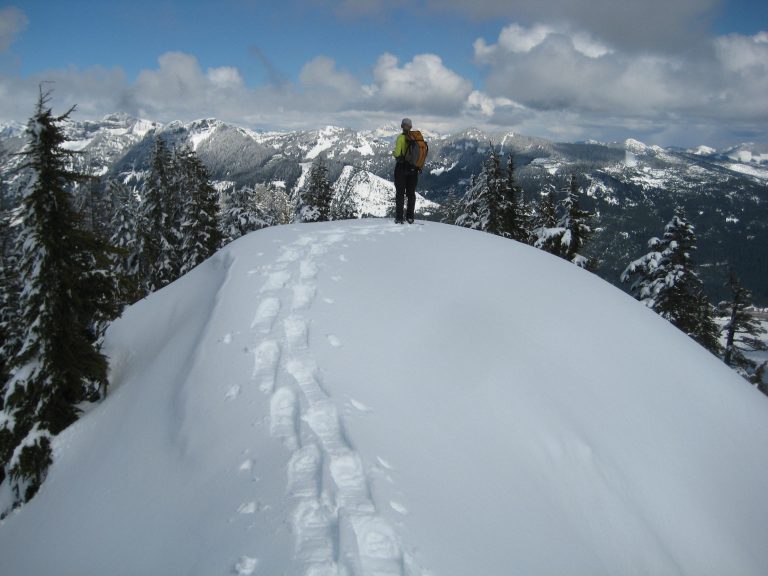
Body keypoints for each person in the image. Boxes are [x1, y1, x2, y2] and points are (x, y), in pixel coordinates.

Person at [392, 117, 418, 224]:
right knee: (411, 194)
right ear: (411, 127)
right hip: (414, 170)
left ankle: (399, 217)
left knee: (400, 193)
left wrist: (393, 153)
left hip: (401, 168)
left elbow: (398, 154)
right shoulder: (416, 139)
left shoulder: (401, 138)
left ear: (402, 126)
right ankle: (410, 217)